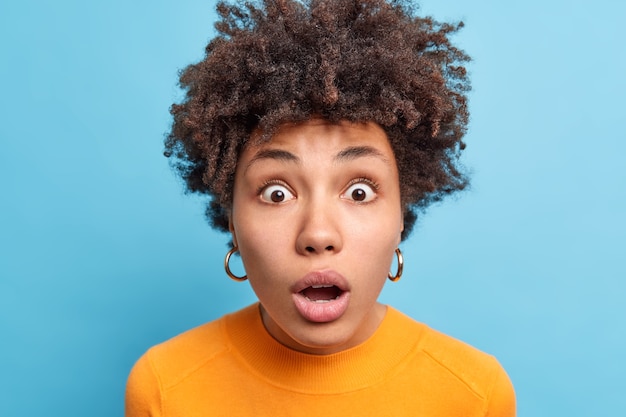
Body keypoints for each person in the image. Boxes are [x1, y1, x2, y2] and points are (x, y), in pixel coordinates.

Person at [125, 0, 516, 415]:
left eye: (360, 192)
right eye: (277, 193)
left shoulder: (474, 393)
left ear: (402, 214)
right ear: (232, 221)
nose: (318, 234)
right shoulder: (165, 388)